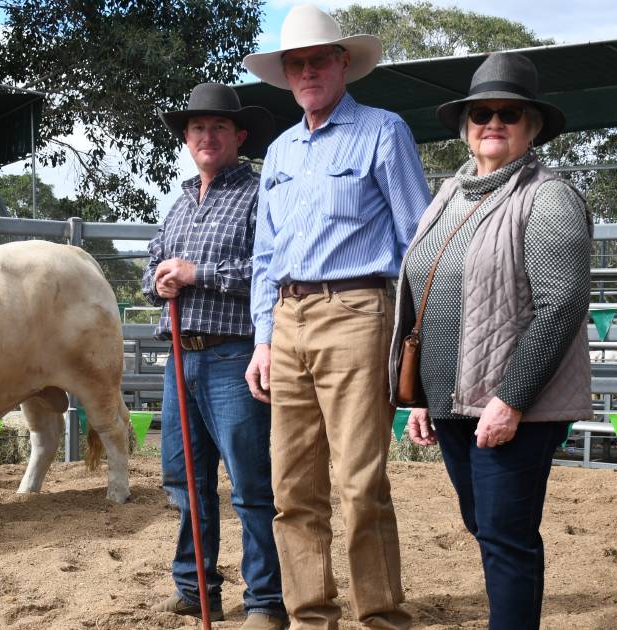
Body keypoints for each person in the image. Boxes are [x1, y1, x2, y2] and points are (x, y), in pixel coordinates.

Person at [389, 52, 593, 630]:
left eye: (509, 113)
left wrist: (513, 398)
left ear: (532, 127)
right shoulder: (450, 194)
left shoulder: (548, 196)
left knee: (506, 534)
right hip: (455, 402)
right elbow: (424, 297)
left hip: (513, 407)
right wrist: (422, 395)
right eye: (482, 113)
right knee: (486, 524)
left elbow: (562, 306)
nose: (493, 123)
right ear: (465, 126)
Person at [242, 5, 431, 628]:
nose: (307, 72)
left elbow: (418, 242)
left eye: (317, 59)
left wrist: (412, 337)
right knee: (292, 487)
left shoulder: (383, 131)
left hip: (358, 310)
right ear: (286, 75)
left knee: (359, 481)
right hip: (288, 319)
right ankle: (309, 617)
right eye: (295, 64)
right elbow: (266, 255)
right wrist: (263, 338)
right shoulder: (279, 152)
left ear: (342, 62)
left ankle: (380, 617)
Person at [143, 82, 287, 630]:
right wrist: (159, 281)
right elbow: (150, 269)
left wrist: (197, 275)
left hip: (234, 356)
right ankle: (193, 585)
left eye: (218, 127)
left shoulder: (259, 195)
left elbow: (269, 270)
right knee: (184, 479)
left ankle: (265, 602)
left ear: (239, 136)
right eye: (197, 127)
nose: (207, 136)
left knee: (250, 483)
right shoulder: (179, 201)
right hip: (180, 356)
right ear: (187, 137)